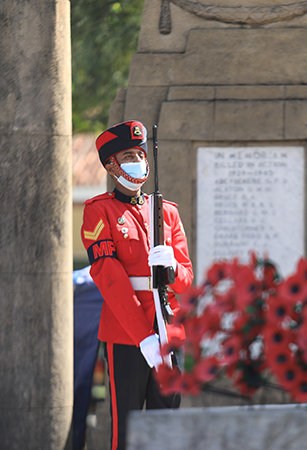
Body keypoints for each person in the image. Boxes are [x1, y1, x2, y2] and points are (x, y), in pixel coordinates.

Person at [80, 120, 193, 450]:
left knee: (165, 429)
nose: (138, 161)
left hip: (169, 331)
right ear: (111, 165)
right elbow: (110, 279)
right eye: (129, 155)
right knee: (127, 431)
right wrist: (143, 337)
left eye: (140, 154)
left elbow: (186, 279)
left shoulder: (167, 213)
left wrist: (171, 266)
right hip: (127, 335)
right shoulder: (99, 212)